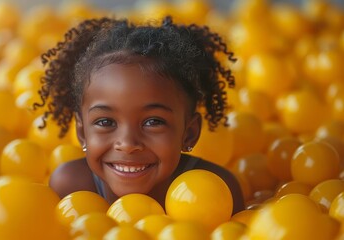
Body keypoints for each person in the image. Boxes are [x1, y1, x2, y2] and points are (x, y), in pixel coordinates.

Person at [36, 16, 245, 214]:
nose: (127, 143)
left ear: (189, 133)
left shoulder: (217, 191)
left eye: (153, 122)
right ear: (82, 132)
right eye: (105, 121)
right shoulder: (71, 187)